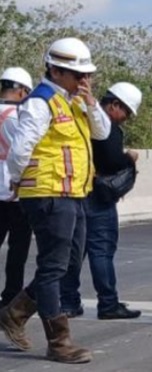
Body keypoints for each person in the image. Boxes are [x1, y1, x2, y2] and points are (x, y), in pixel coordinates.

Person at [0, 37, 110, 364]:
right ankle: (59, 342)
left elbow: (102, 133)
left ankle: (14, 313)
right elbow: (20, 150)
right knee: (53, 267)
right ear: (56, 71)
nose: (84, 81)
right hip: (47, 194)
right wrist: (19, 181)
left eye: (86, 76)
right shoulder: (40, 101)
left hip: (73, 193)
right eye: (78, 76)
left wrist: (91, 102)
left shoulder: (73, 101)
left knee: (69, 263)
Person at [59, 82, 143, 320]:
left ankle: (68, 302)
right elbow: (111, 161)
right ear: (114, 105)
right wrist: (129, 158)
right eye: (126, 112)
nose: (125, 118)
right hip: (99, 199)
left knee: (75, 252)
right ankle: (108, 304)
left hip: (77, 193)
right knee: (101, 251)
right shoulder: (106, 126)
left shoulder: (79, 119)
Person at [0, 67, 34, 308]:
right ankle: (11, 296)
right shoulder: (17, 116)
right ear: (22, 91)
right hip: (15, 192)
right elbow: (22, 152)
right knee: (17, 250)